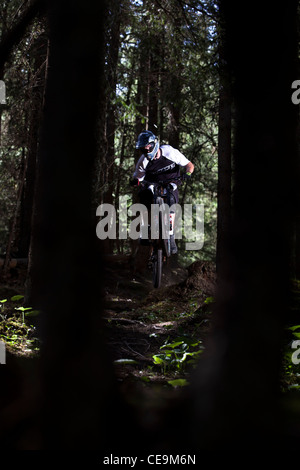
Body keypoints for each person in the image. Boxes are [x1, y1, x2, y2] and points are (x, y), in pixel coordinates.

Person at [131, 130, 194, 254]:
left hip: (171, 182)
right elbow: (138, 178)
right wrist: (135, 182)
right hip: (152, 183)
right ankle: (144, 229)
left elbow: (189, 165)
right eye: (143, 150)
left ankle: (170, 236)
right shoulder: (143, 161)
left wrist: (187, 174)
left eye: (148, 148)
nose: (146, 152)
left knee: (171, 200)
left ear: (154, 145)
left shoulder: (170, 152)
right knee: (144, 197)